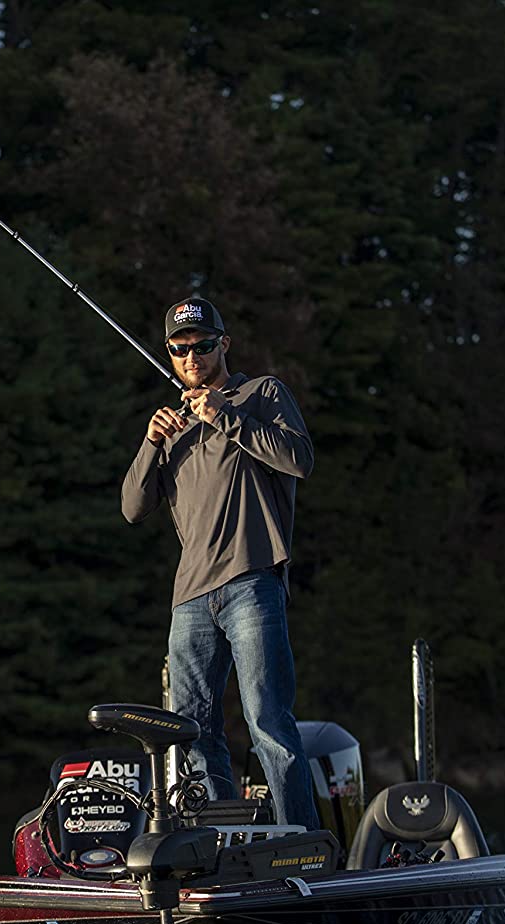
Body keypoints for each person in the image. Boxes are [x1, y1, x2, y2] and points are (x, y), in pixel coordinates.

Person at [120, 294, 320, 830]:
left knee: (267, 719)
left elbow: (299, 460)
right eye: (180, 349)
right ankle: (220, 840)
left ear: (223, 344)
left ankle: (302, 840)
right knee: (192, 728)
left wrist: (226, 416)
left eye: (203, 345)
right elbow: (133, 508)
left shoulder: (262, 394)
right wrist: (151, 443)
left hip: (252, 580)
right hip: (189, 597)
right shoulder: (171, 425)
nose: (192, 357)